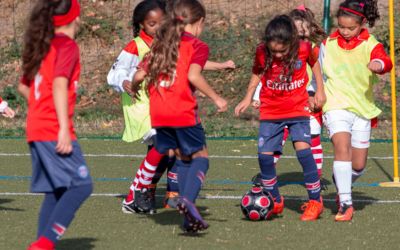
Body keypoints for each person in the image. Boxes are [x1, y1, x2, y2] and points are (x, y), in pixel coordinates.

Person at [107, 0, 235, 214]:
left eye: (161, 22)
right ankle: (138, 194)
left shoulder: (168, 43)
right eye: (152, 23)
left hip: (162, 106)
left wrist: (221, 66)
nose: (157, 27)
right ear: (141, 25)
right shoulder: (137, 45)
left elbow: (191, 64)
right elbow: (116, 72)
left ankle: (162, 194)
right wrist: (125, 82)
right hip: (143, 107)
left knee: (167, 151)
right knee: (165, 149)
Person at [235, 15, 326, 221]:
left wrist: (320, 90)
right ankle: (275, 199)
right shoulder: (261, 52)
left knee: (304, 152)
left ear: (292, 42)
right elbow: (257, 72)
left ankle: (315, 201)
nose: (276, 55)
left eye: (281, 51)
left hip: (297, 108)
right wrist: (247, 97)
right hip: (271, 111)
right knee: (264, 156)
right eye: (273, 50)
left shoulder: (305, 48)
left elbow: (316, 64)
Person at [17, 1, 93, 249]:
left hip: (36, 127)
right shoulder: (67, 46)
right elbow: (60, 83)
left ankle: (41, 244)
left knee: (57, 189)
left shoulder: (43, 45)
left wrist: (39, 110)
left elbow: (24, 86)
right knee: (82, 186)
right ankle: (45, 243)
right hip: (51, 128)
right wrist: (62, 127)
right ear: (76, 18)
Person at [320, 0, 392, 221]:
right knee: (342, 147)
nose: (345, 31)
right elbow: (314, 66)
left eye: (351, 28)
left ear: (362, 23)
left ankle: (342, 181)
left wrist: (378, 65)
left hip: (361, 108)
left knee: (358, 165)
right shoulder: (328, 43)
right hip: (335, 104)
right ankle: (346, 204)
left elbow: (385, 61)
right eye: (341, 26)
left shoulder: (371, 43)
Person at [252, 5, 327, 184]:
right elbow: (265, 73)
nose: (300, 40)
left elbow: (320, 73)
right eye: (296, 36)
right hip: (281, 100)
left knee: (312, 137)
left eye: (304, 36)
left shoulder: (313, 49)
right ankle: (268, 174)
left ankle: (315, 175)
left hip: (305, 98)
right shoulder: (277, 49)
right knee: (277, 137)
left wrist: (316, 94)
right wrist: (257, 95)